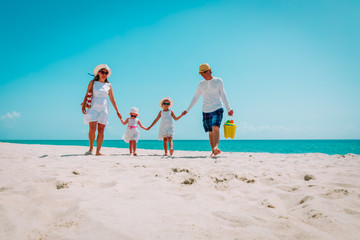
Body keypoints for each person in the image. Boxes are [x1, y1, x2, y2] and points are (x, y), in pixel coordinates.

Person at [182, 63, 233, 157]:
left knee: (215, 127)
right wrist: (187, 110)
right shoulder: (201, 84)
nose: (203, 75)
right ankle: (213, 151)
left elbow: (223, 95)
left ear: (209, 70)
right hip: (206, 110)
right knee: (210, 131)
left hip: (217, 108)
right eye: (201, 73)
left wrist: (229, 108)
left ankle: (216, 148)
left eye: (204, 72)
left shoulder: (218, 81)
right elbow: (195, 98)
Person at [82, 64, 122, 156]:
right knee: (92, 129)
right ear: (98, 73)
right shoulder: (93, 83)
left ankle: (98, 151)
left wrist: (117, 111)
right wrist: (83, 105)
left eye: (106, 73)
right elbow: (87, 93)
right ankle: (91, 148)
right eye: (102, 72)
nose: (104, 74)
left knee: (101, 130)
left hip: (104, 108)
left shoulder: (108, 85)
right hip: (93, 107)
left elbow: (112, 98)